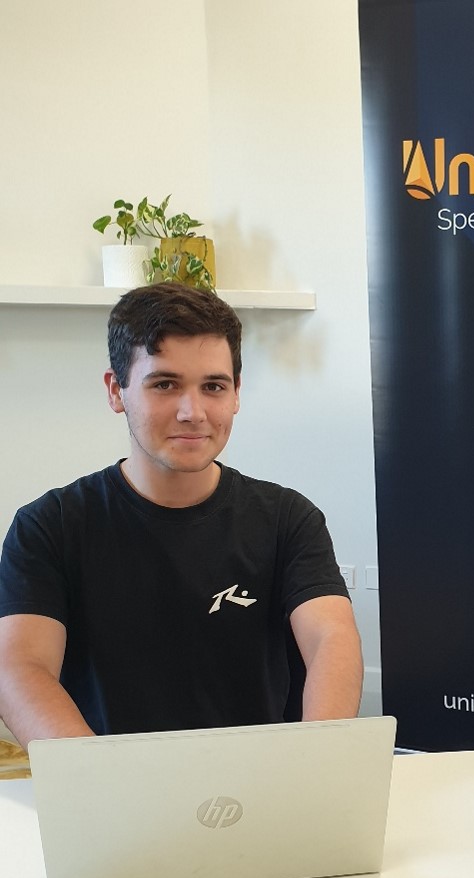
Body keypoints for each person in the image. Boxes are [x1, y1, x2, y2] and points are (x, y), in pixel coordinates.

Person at [0, 283, 363, 748]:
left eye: (214, 386)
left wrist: (319, 757)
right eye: (165, 384)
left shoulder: (288, 519)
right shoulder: (49, 527)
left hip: (263, 791)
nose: (193, 412)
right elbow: (21, 668)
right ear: (116, 390)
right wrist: (98, 781)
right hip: (113, 793)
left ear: (236, 394)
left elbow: (332, 637)